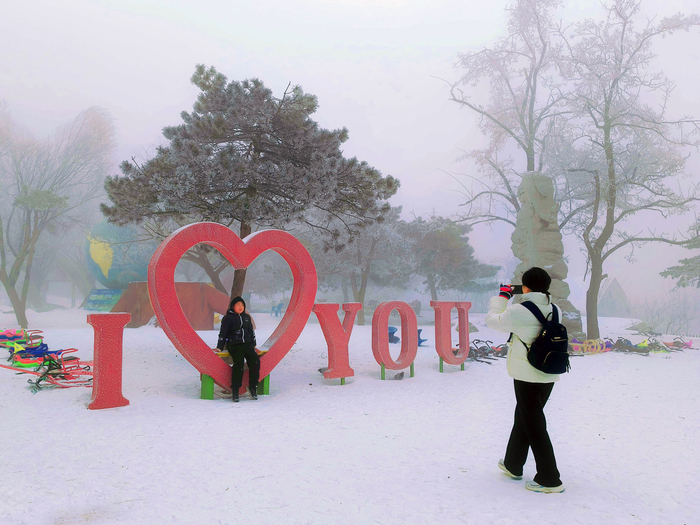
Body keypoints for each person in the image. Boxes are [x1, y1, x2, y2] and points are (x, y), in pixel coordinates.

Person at [484, 267, 565, 493]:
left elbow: (492, 320)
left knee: (533, 423)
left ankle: (550, 478)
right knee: (526, 417)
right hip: (548, 372)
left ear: (526, 287)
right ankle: (513, 464)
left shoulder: (520, 310)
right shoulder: (556, 308)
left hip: (526, 373)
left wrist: (502, 298)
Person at [214, 296, 260, 402]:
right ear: (233, 306)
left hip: (247, 344)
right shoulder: (228, 318)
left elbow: (251, 332)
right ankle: (235, 390)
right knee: (238, 364)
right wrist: (219, 347)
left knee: (255, 362)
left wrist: (253, 345)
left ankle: (252, 386)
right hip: (234, 345)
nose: (240, 307)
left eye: (242, 305)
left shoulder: (247, 317)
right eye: (238, 305)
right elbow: (223, 333)